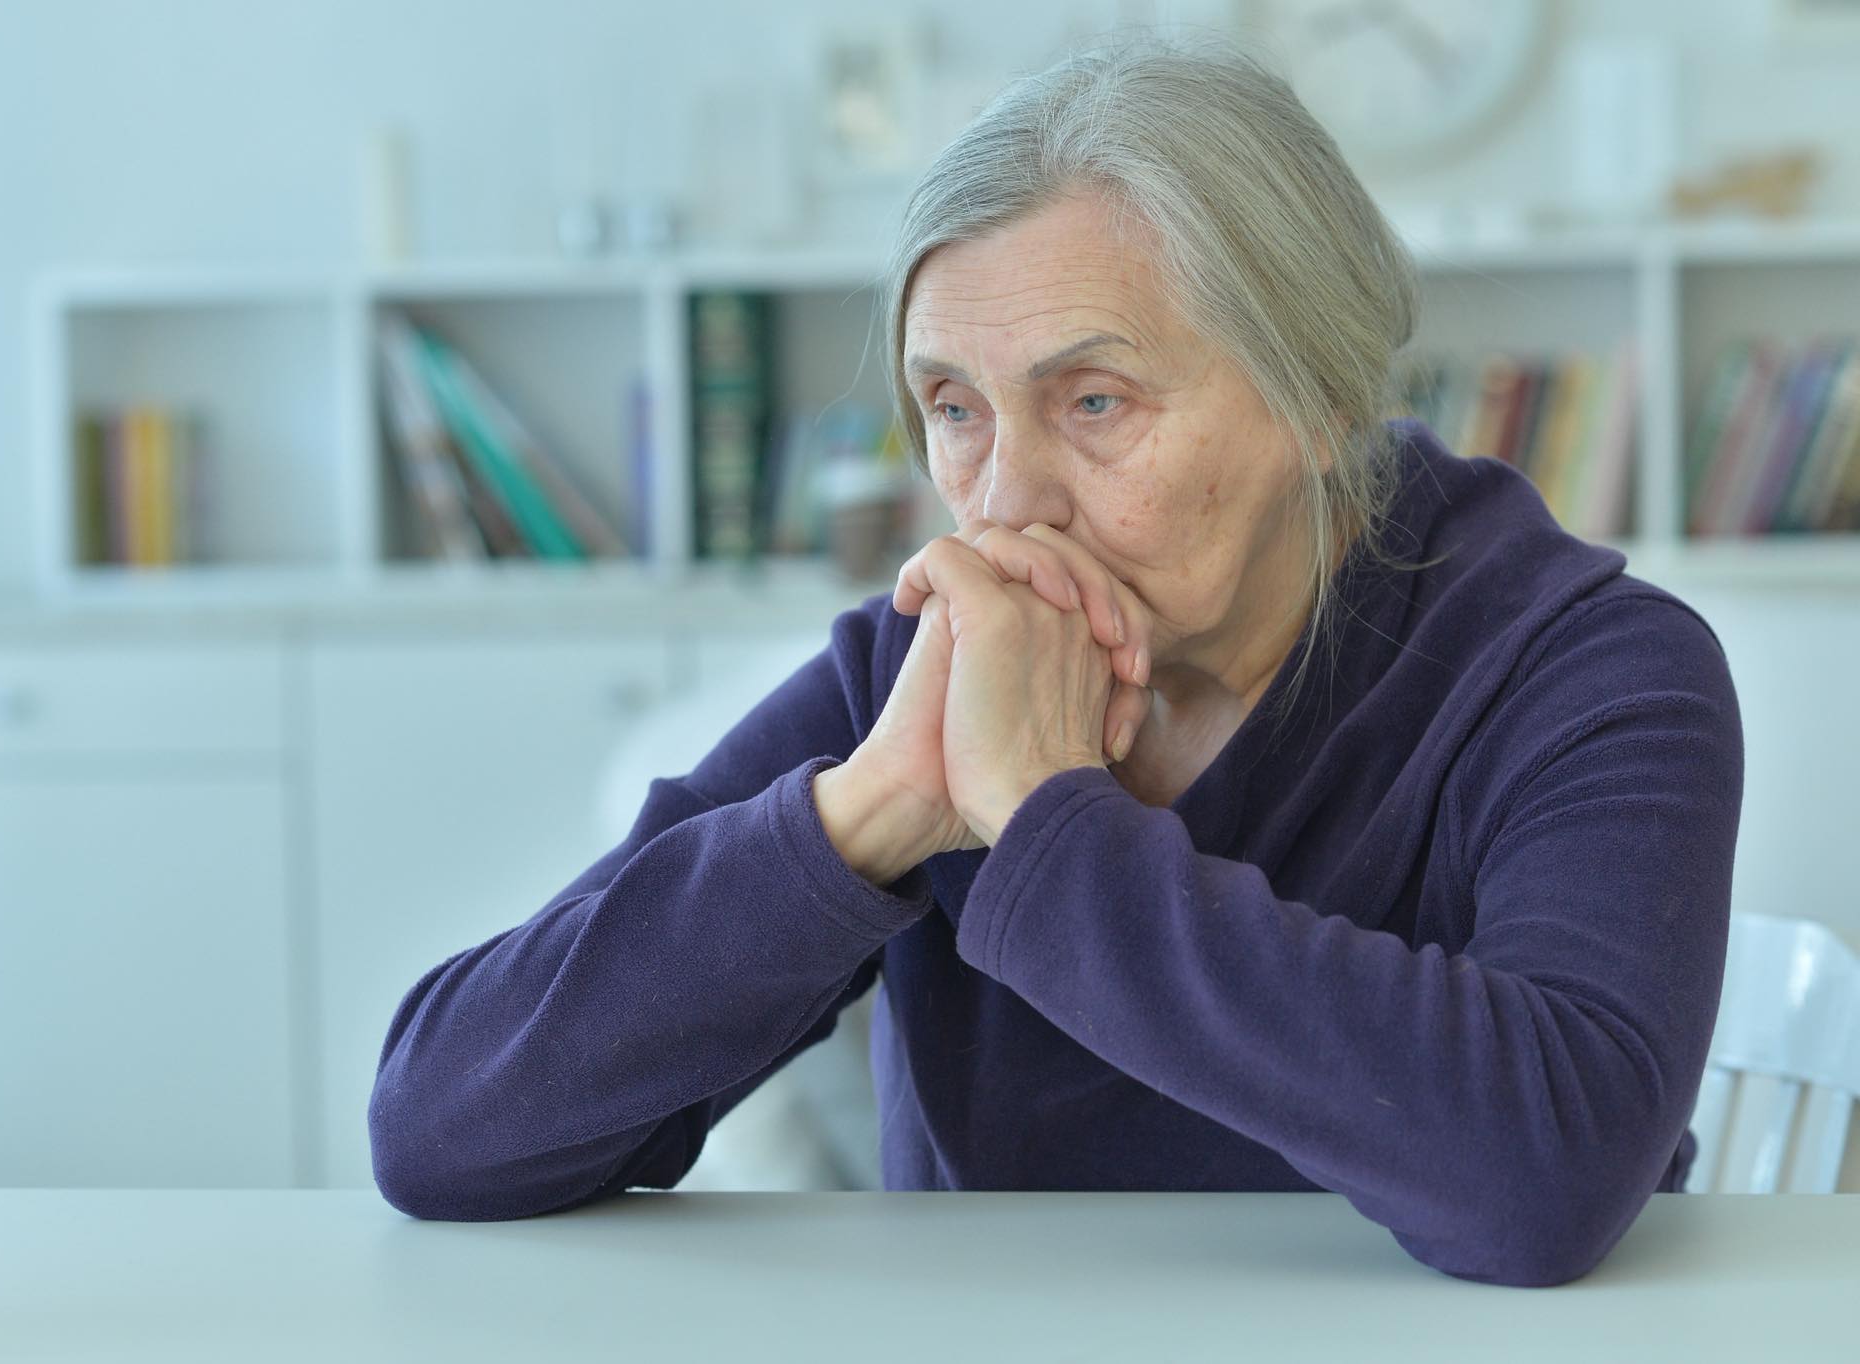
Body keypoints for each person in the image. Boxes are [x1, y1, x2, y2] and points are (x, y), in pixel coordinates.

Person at [367, 36, 1745, 1288]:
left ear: (1323, 402)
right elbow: (443, 1127)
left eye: (1095, 402)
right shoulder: (918, 671)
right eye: (952, 409)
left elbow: (1545, 1183)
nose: (1005, 498)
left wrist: (1041, 823)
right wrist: (866, 819)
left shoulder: (1592, 673)